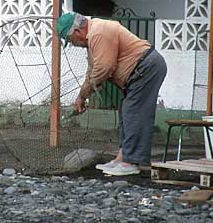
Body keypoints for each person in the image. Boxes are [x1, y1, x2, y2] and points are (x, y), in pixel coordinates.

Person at [56, 12, 167, 176]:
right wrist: (81, 96)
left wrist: (89, 89)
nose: (74, 44)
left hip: (146, 68)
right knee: (126, 110)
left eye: (71, 41)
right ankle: (123, 158)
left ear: (78, 32)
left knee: (134, 112)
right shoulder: (92, 38)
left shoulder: (98, 32)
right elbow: (93, 70)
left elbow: (104, 68)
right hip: (139, 72)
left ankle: (130, 162)